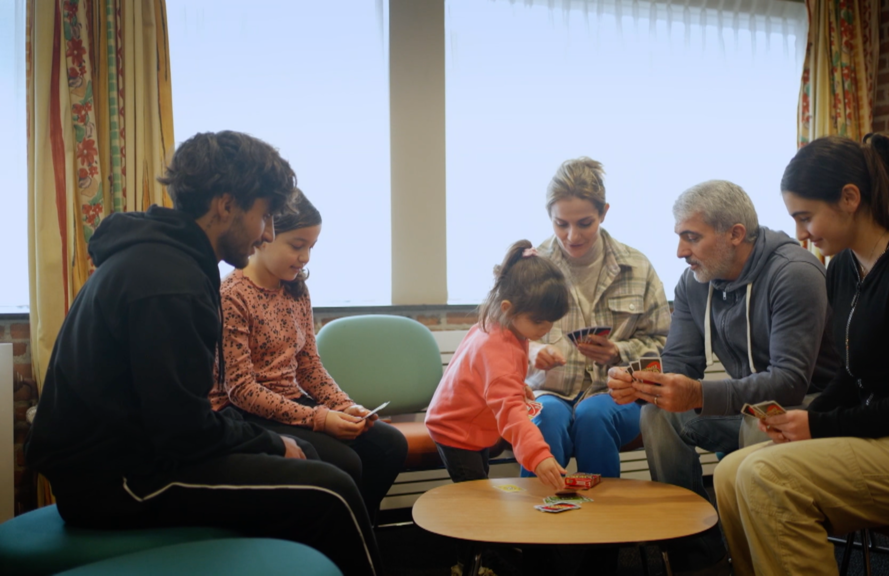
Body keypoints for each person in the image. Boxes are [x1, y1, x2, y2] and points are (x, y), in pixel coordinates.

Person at [25, 131, 382, 576]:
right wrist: (273, 443)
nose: (266, 234)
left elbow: (180, 414)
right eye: (265, 216)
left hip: (139, 452)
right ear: (225, 204)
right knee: (330, 488)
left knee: (309, 458)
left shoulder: (169, 261)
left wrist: (279, 444)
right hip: (114, 480)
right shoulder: (168, 281)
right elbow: (183, 432)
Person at [713, 133, 889, 576]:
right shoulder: (844, 266)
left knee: (768, 477)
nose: (802, 234)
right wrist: (806, 421)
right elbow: (852, 371)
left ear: (849, 198)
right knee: (731, 473)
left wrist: (820, 424)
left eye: (806, 218)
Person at [607, 180, 840, 575]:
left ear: (734, 235)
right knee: (658, 416)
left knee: (758, 418)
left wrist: (697, 393)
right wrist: (644, 384)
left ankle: (756, 556)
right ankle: (698, 557)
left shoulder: (794, 273)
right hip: (752, 408)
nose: (681, 252)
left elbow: (789, 383)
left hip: (815, 410)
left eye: (691, 238)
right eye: (680, 238)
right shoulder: (694, 283)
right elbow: (680, 363)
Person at [209, 190, 408, 523]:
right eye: (297, 245)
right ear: (264, 237)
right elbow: (240, 389)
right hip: (244, 412)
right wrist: (320, 418)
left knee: (390, 445)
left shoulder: (295, 288)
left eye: (311, 248)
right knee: (346, 462)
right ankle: (338, 539)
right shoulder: (231, 295)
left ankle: (360, 529)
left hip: (291, 401)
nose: (305, 258)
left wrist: (344, 406)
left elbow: (309, 365)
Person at [426, 239, 570, 576]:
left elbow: (481, 376)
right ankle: (469, 563)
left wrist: (518, 386)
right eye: (539, 323)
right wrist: (540, 455)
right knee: (474, 500)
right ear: (508, 307)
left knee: (479, 493)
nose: (545, 330)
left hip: (468, 423)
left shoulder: (495, 324)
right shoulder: (498, 344)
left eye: (551, 323)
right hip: (454, 428)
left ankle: (477, 553)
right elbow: (510, 414)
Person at [523, 157, 670, 481]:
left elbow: (665, 344)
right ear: (549, 216)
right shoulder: (532, 269)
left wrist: (619, 352)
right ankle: (535, 527)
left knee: (593, 415)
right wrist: (532, 353)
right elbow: (502, 338)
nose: (572, 235)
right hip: (549, 392)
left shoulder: (638, 267)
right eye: (561, 224)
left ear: (604, 212)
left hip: (617, 394)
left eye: (585, 223)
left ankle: (604, 525)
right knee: (545, 417)